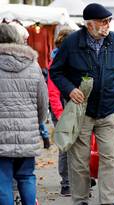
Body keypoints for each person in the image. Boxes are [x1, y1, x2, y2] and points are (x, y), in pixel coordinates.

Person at [50, 3, 114, 205]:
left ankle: (108, 201)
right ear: (89, 24)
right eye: (103, 21)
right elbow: (56, 71)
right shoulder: (71, 43)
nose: (107, 25)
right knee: (79, 162)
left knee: (109, 159)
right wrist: (69, 89)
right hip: (82, 112)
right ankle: (80, 201)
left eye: (108, 21)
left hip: (108, 110)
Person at [0, 23, 48, 205]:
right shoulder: (33, 65)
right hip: (27, 133)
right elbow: (43, 102)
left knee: (2, 181)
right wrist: (38, 123)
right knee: (27, 176)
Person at [48, 28, 74, 196]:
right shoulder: (56, 61)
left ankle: (78, 181)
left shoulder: (74, 59)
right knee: (65, 148)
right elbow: (53, 92)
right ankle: (66, 183)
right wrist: (60, 114)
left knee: (77, 147)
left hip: (75, 109)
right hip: (61, 110)